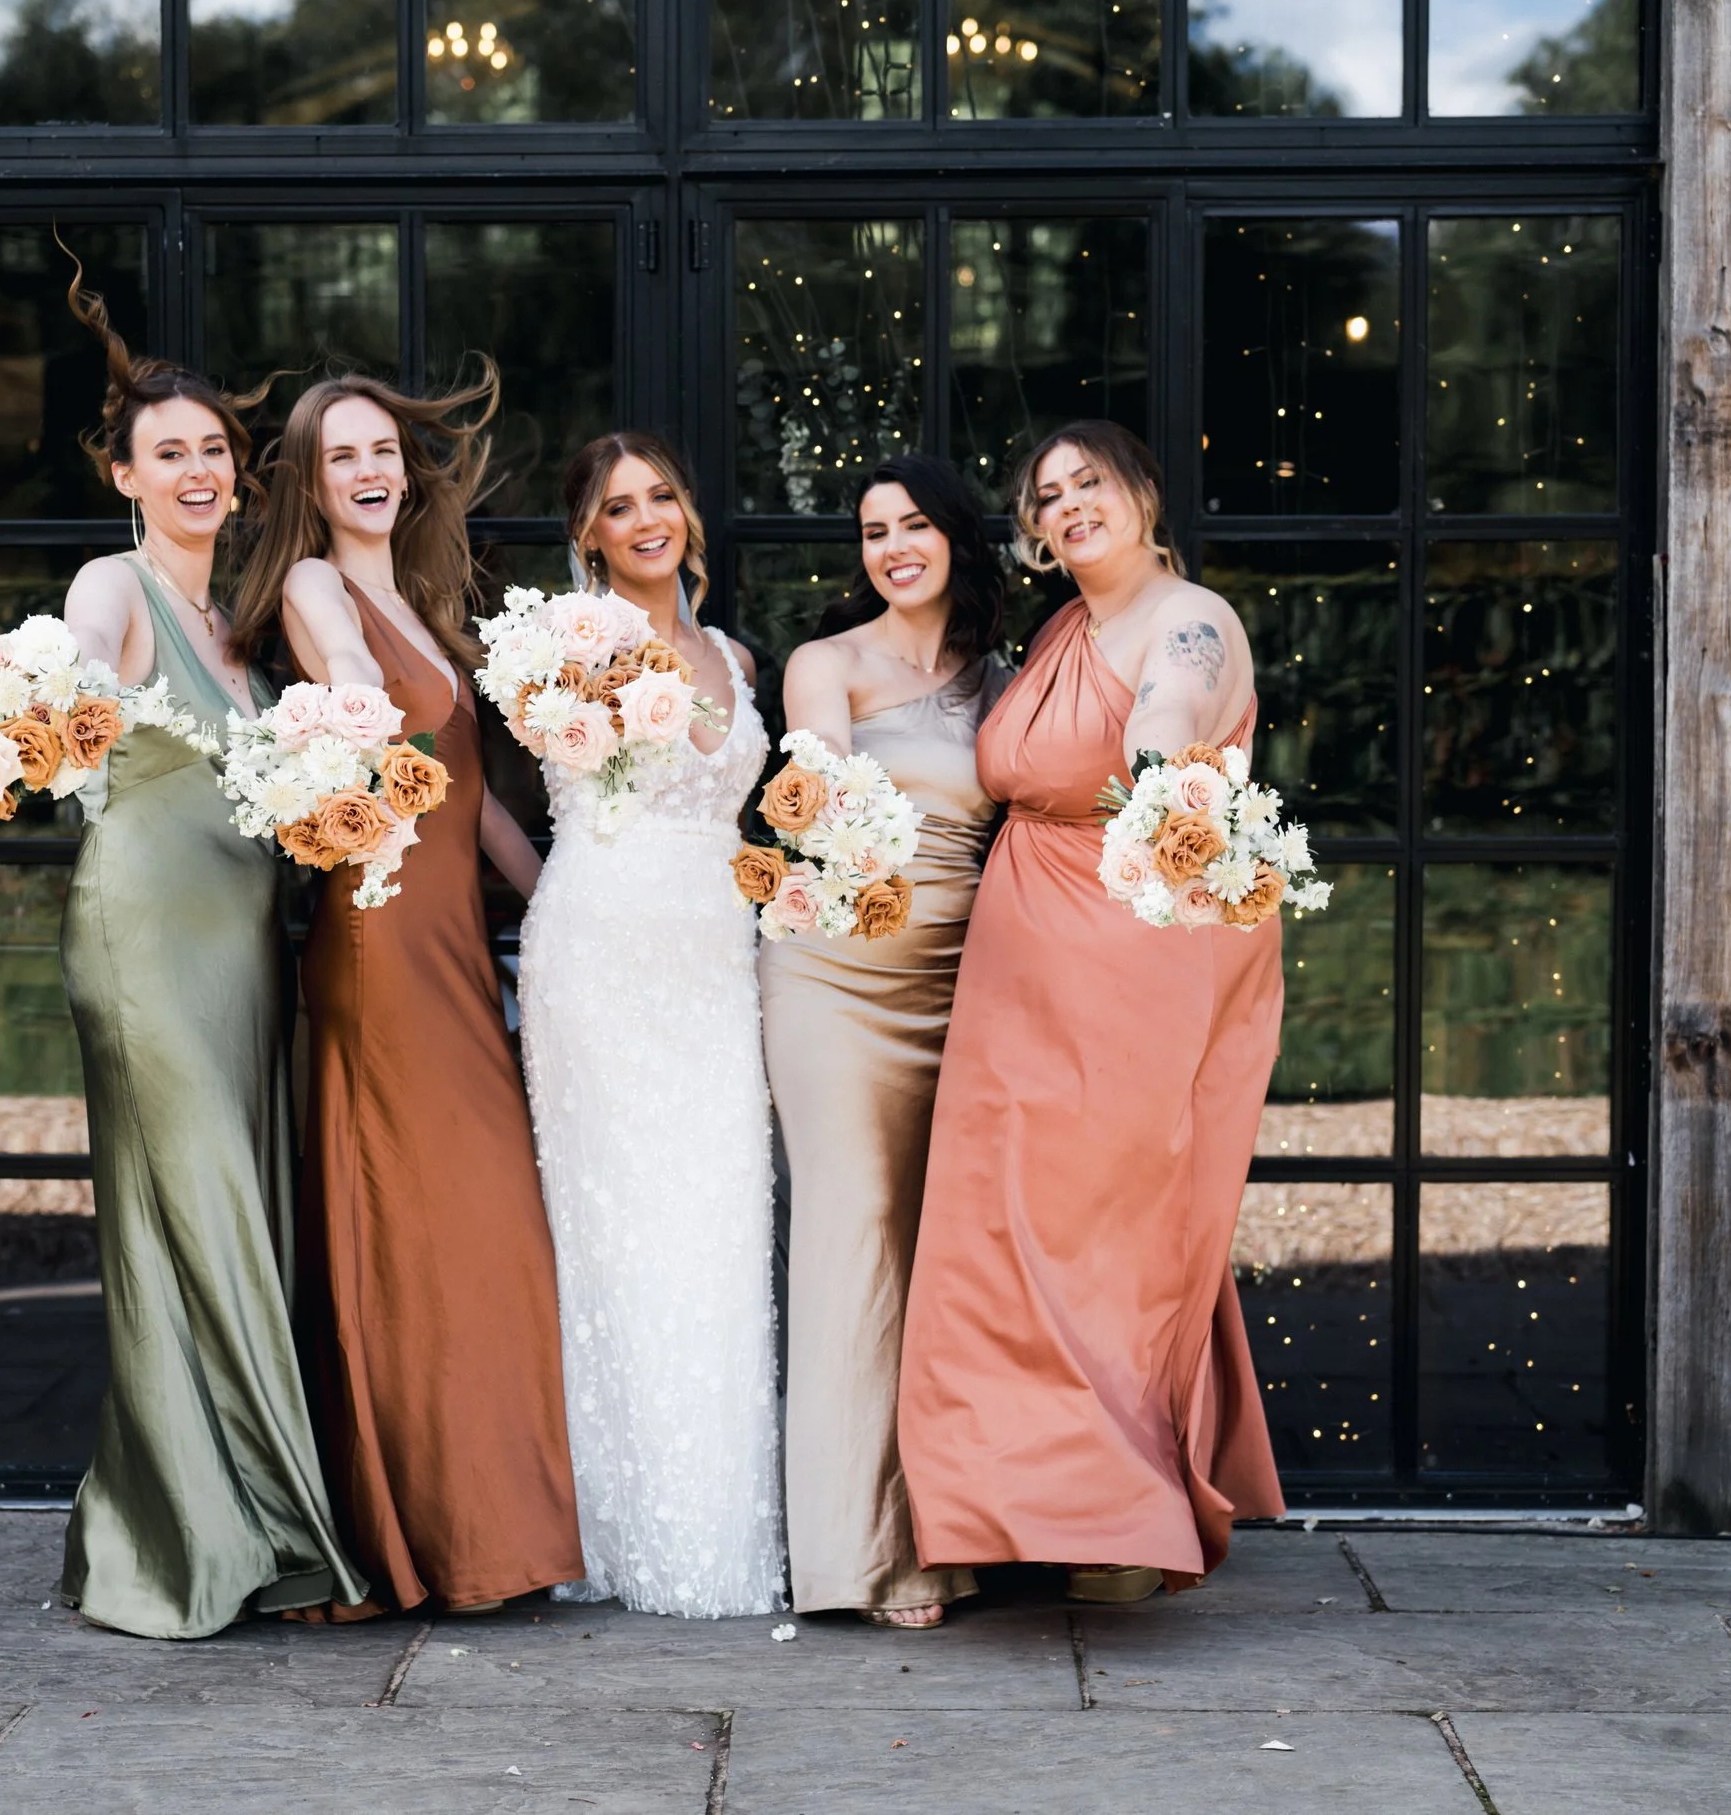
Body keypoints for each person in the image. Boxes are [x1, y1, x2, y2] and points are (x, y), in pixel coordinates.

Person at [896, 420, 1285, 1604]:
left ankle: (1118, 1520)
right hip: (1017, 976)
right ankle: (992, 1511)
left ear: (1143, 494)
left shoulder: (1191, 619)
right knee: (996, 1240)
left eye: (1090, 485)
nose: (1068, 507)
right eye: (1047, 495)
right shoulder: (1061, 626)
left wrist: (1161, 769)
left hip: (1133, 957)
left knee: (1104, 1235)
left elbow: (1166, 719)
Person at [231, 365, 581, 1618]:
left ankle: (488, 1526)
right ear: (311, 484)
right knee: (428, 1223)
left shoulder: (425, 597)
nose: (369, 470)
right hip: (377, 938)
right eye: (341, 458)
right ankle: (431, 1538)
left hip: (446, 940)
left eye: (382, 450)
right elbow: (339, 670)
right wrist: (361, 704)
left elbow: (476, 797)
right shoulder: (323, 586)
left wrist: (563, 907)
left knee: (478, 1226)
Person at [52, 277, 368, 1639]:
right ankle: (279, 1539)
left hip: (243, 955)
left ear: (239, 480)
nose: (197, 469)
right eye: (169, 450)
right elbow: (61, 690)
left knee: (216, 1219)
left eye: (214, 451)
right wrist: (41, 716)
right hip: (141, 941)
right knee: (204, 1213)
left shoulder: (245, 633)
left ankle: (182, 1516)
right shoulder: (111, 587)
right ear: (126, 474)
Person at [516, 430, 786, 1619]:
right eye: (617, 507)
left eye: (662, 496)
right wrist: (561, 901)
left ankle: (718, 1533)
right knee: (613, 1230)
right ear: (588, 534)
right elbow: (535, 787)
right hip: (604, 952)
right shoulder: (563, 645)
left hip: (718, 962)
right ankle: (612, 1530)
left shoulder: (729, 651)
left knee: (720, 1223)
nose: (644, 520)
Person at [758, 455, 1007, 1629]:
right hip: (839, 977)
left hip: (974, 983)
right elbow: (823, 769)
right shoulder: (829, 664)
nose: (893, 546)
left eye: (913, 525)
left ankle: (962, 1525)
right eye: (871, 530)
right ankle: (862, 1553)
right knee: (855, 1237)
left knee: (947, 1254)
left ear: (957, 536)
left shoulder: (1004, 681)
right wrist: (837, 809)